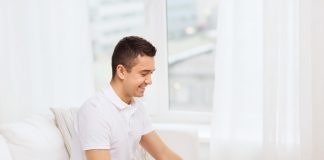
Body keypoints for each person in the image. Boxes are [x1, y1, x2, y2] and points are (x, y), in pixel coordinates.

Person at [71, 36, 182, 160]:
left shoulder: (137, 107)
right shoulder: (95, 112)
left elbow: (163, 154)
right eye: (144, 74)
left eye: (151, 73)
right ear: (121, 71)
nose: (149, 81)